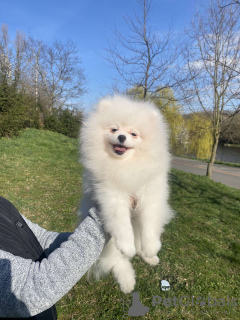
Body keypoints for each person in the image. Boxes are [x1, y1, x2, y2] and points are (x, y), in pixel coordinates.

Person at [0, 196, 108, 319]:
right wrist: (107, 216)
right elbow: (30, 289)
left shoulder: (2, 204)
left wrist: (100, 243)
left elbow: (42, 239)